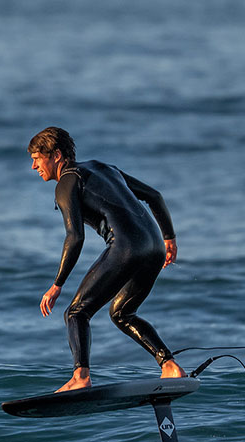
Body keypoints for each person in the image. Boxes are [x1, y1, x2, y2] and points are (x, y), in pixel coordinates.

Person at [28, 126, 186, 392]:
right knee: (122, 313)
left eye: (36, 158)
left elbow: (75, 238)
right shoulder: (104, 167)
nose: (34, 167)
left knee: (76, 312)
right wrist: (169, 238)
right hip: (154, 246)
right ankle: (169, 365)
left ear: (55, 155)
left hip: (126, 247)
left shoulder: (66, 183)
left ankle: (80, 377)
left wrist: (57, 284)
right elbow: (154, 196)